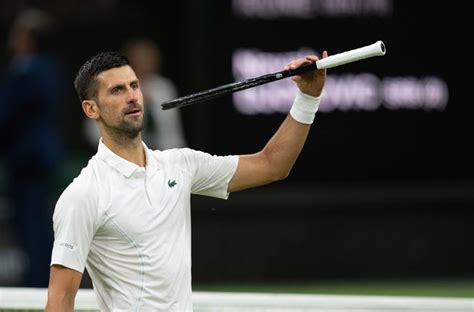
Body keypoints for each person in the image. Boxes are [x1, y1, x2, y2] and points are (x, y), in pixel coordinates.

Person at [45, 49, 327, 311]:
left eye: (134, 86)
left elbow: (272, 165)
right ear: (91, 109)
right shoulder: (82, 195)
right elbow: (60, 300)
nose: (132, 97)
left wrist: (308, 98)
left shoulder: (180, 165)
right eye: (117, 90)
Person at [0, 8, 63, 287]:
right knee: (28, 222)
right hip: (28, 158)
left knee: (33, 223)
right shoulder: (36, 68)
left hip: (31, 158)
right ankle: (36, 279)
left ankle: (38, 282)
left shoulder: (33, 69)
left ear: (30, 38)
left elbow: (8, 112)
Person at [82, 38, 187, 150]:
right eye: (140, 61)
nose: (145, 66)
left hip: (161, 156)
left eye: (149, 60)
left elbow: (173, 132)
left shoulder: (163, 88)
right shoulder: (110, 86)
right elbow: (93, 132)